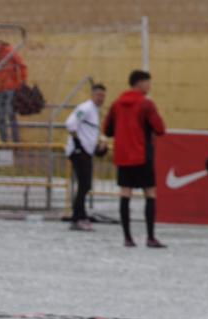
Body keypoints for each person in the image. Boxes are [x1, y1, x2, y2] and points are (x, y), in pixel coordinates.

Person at [104, 69, 167, 248]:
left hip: (123, 156)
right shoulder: (146, 104)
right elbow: (160, 129)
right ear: (140, 83)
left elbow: (107, 129)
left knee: (125, 193)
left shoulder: (116, 104)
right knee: (150, 193)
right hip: (142, 154)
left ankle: (128, 238)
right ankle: (150, 237)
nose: (149, 86)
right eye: (148, 82)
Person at [64, 83, 106, 231]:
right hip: (79, 151)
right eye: (98, 95)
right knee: (84, 184)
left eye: (103, 96)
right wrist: (77, 144)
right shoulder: (86, 108)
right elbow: (70, 123)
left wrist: (99, 143)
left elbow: (90, 131)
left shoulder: (95, 111)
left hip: (87, 151)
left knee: (85, 185)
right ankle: (78, 218)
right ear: (92, 94)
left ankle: (80, 215)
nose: (101, 98)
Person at [0, 38, 27, 143]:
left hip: (11, 87)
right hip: (0, 88)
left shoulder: (9, 51)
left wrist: (22, 81)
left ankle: (16, 141)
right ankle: (4, 141)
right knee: (0, 116)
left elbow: (22, 65)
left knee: (10, 113)